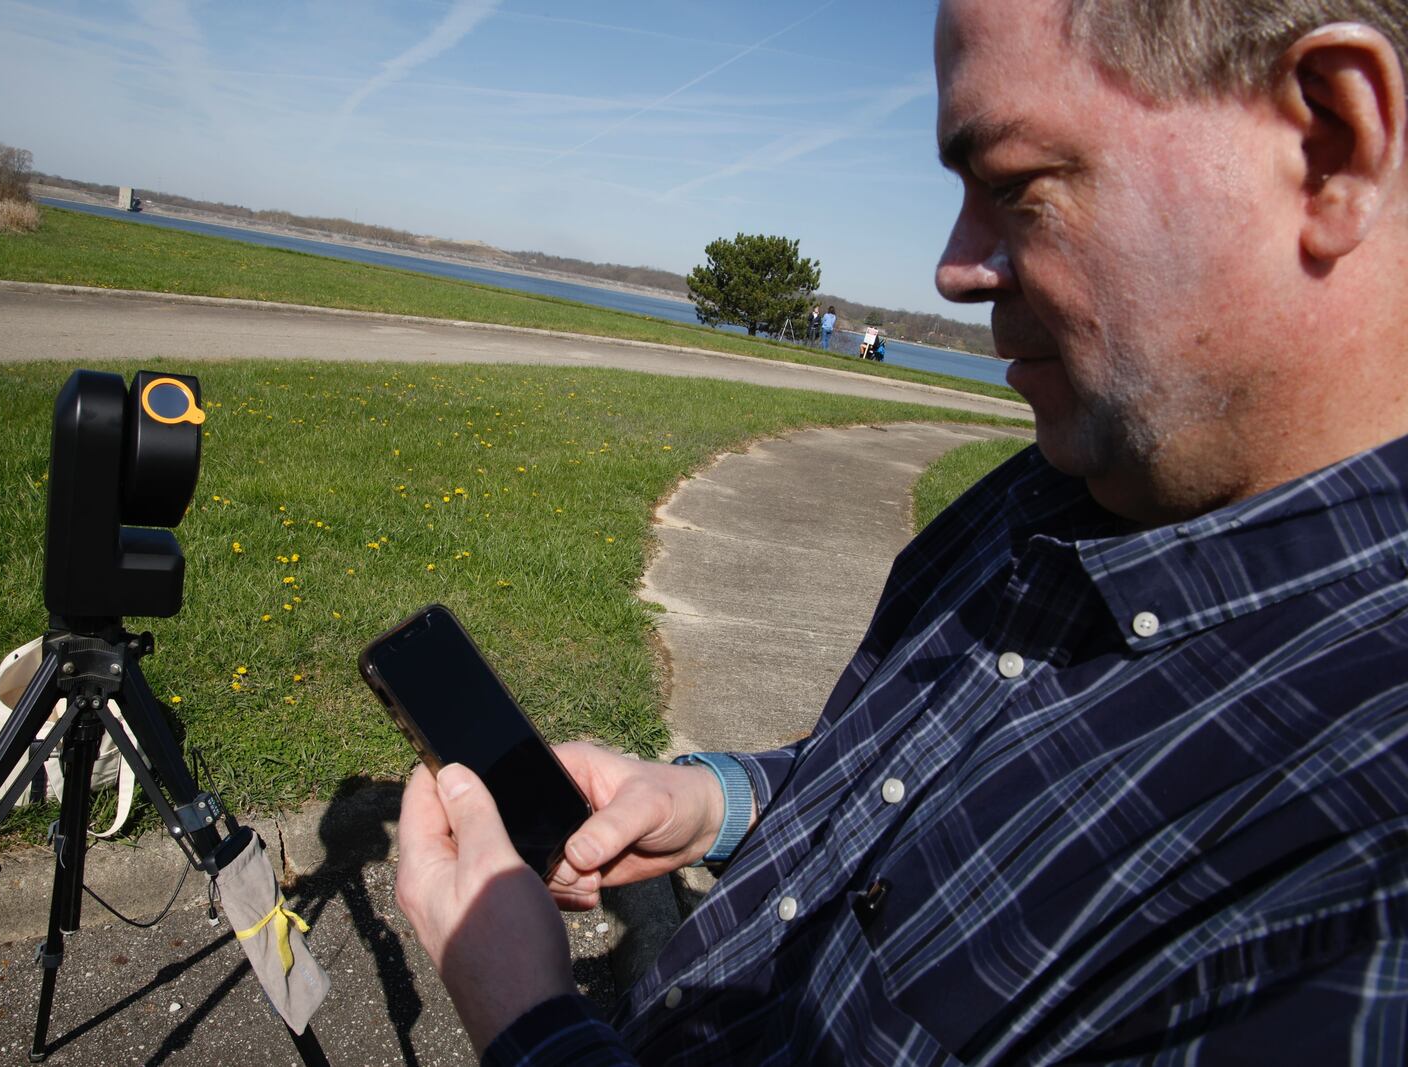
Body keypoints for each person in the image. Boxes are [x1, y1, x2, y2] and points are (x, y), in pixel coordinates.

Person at [395, 0, 1408, 1062]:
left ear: (1327, 141)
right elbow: (896, 795)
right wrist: (712, 802)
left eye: (1015, 184)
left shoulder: (1363, 901)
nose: (953, 268)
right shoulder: (1056, 489)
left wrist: (525, 1015)